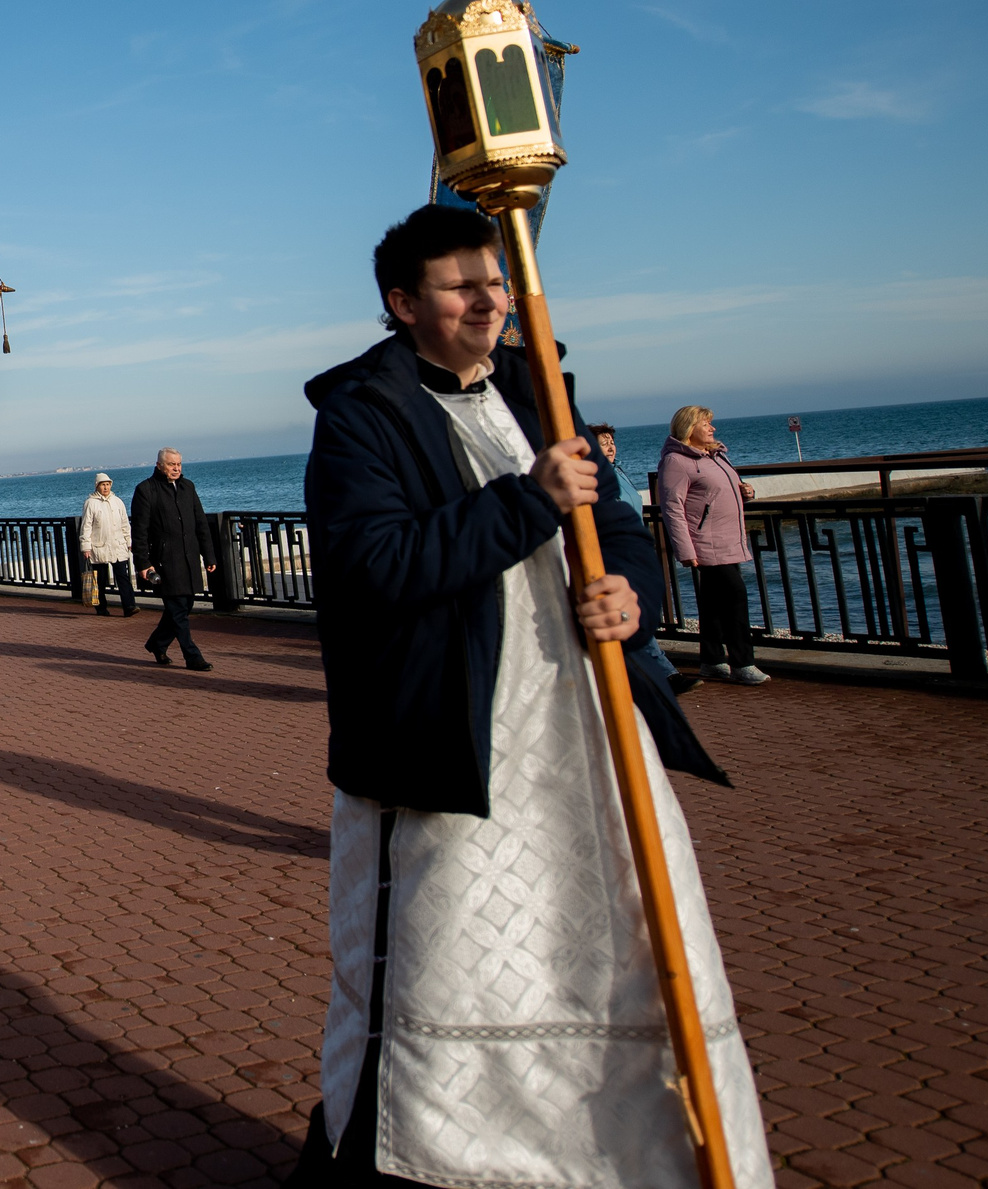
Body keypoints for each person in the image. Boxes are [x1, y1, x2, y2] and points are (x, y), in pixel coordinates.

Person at [291, 203, 761, 1189]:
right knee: (443, 953)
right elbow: (374, 563)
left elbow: (616, 517)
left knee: (618, 932)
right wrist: (525, 499)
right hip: (451, 734)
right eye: (463, 285)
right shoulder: (360, 416)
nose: (488, 300)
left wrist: (629, 589)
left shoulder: (536, 389)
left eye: (495, 282)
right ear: (402, 302)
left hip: (582, 722)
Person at [658, 406, 767, 687]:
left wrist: (747, 492)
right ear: (688, 428)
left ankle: (712, 661)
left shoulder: (717, 456)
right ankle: (743, 663)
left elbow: (722, 492)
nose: (712, 428)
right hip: (706, 543)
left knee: (713, 603)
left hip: (729, 540)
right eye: (705, 423)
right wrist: (685, 550)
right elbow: (672, 508)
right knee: (735, 597)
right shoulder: (676, 461)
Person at [131, 449, 216, 670]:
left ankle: (157, 644)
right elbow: (139, 531)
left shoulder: (188, 487)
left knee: (185, 605)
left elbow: (201, 523)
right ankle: (192, 656)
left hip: (189, 557)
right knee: (178, 608)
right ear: (159, 465)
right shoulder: (145, 490)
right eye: (171, 465)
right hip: (164, 560)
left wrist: (209, 555)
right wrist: (143, 563)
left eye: (178, 464)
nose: (176, 468)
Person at [79, 474, 137, 618]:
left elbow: (125, 523)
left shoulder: (117, 501)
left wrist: (129, 541)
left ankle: (129, 606)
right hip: (99, 546)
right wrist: (86, 546)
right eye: (103, 484)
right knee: (100, 580)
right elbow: (86, 526)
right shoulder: (90, 503)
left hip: (117, 545)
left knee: (123, 576)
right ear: (97, 486)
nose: (106, 487)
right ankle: (101, 608)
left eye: (108, 484)